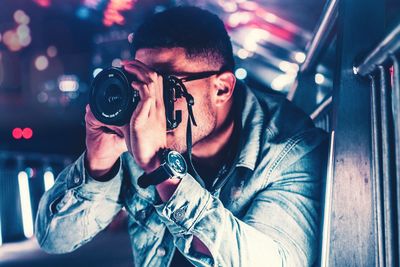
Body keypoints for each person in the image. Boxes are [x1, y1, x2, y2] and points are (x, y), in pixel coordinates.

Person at [35, 6, 328, 267]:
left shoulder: (290, 148)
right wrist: (98, 163)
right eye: (142, 83)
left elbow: (276, 261)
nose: (150, 100)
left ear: (222, 89)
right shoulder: (138, 132)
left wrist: (161, 171)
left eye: (168, 85)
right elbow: (54, 238)